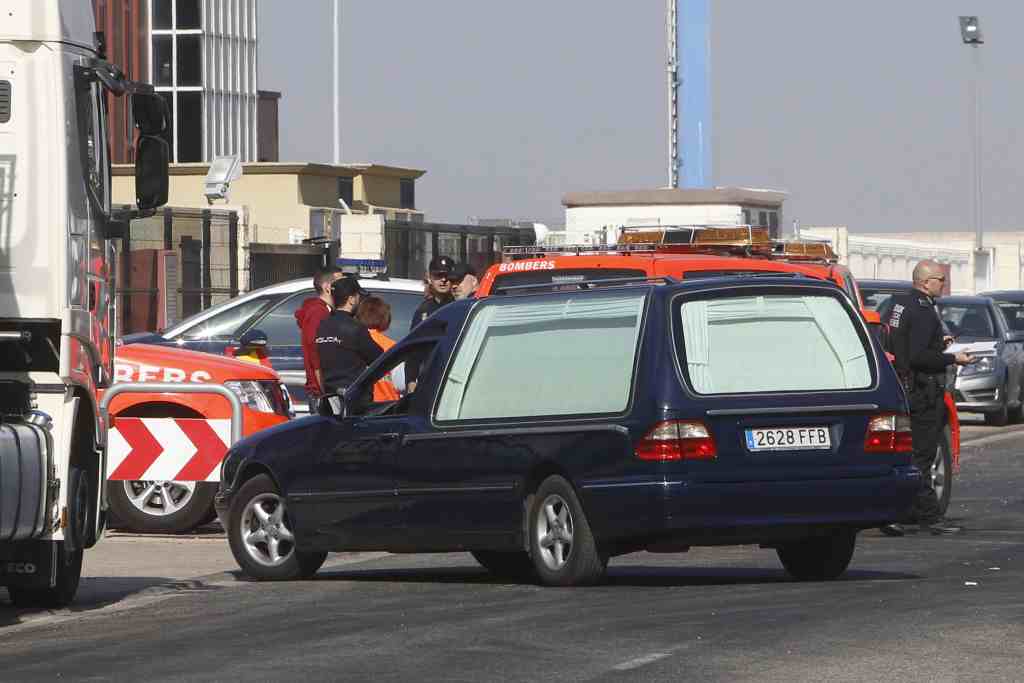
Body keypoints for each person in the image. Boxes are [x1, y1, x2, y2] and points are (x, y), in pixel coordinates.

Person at [882, 259, 974, 536]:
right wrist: (953, 357)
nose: (944, 285)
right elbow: (919, 356)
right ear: (925, 282)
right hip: (923, 391)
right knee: (921, 455)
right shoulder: (922, 310)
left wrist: (939, 343)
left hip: (903, 387)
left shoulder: (898, 304)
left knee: (909, 454)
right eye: (940, 280)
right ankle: (929, 516)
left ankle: (905, 513)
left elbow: (904, 343)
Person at [315, 277, 384, 397]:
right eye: (358, 297)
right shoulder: (356, 327)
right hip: (354, 398)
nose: (360, 301)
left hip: (330, 397)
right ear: (351, 300)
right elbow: (378, 357)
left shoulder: (322, 326)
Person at [295, 266, 345, 413]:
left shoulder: (324, 311)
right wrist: (326, 393)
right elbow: (316, 353)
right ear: (327, 287)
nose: (344, 287)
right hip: (322, 393)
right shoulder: (319, 313)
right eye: (340, 283)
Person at [406, 255, 456, 392]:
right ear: (430, 278)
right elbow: (413, 349)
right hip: (428, 378)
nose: (443, 280)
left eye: (447, 276)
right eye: (438, 276)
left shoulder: (459, 306)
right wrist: (411, 380)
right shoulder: (423, 311)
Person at [355, 296, 400, 402]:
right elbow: (400, 383)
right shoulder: (392, 345)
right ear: (385, 318)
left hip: (362, 403)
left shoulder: (353, 341)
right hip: (388, 404)